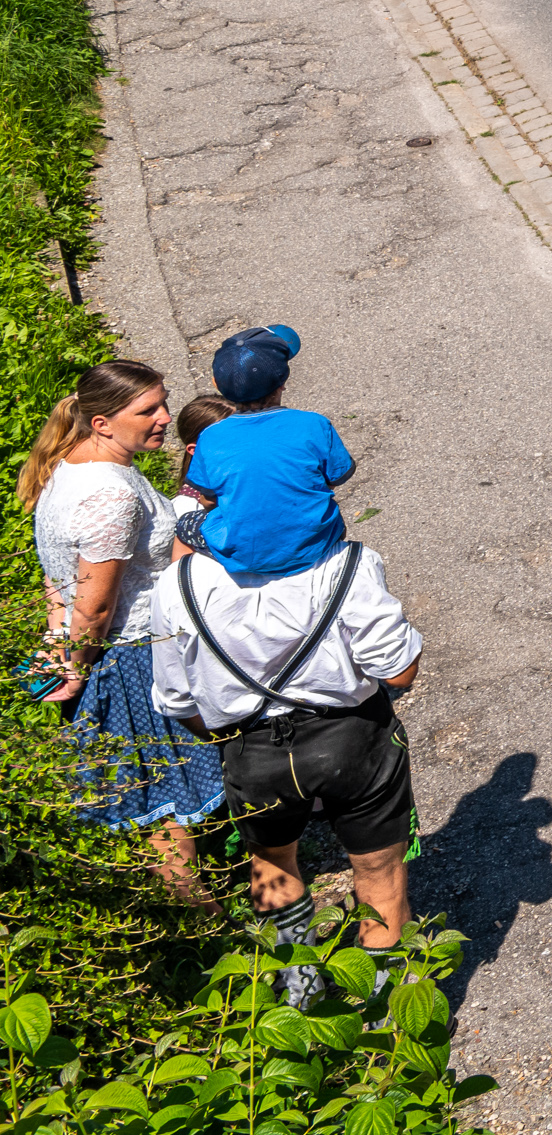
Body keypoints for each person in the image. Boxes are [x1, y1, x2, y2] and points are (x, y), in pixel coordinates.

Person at [154, 521, 425, 1007]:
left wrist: (232, 738)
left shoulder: (178, 583)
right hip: (352, 738)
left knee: (272, 863)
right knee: (379, 876)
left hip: (253, 751)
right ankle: (386, 1019)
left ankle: (301, 1001)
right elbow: (399, 671)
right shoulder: (345, 561)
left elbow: (177, 700)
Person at [22, 362, 225, 896]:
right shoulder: (108, 496)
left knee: (158, 804)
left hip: (97, 652)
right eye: (148, 410)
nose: (165, 418)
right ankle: (205, 922)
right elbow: (94, 606)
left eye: (163, 403)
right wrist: (74, 667)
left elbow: (56, 578)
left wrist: (55, 643)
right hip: (131, 661)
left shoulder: (72, 465)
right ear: (102, 423)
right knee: (163, 809)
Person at [179, 326, 356, 574]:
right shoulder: (313, 424)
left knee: (184, 524)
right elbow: (336, 477)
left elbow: (207, 498)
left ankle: (180, 585)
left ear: (216, 384)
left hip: (245, 556)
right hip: (315, 546)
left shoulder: (209, 437)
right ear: (283, 382)